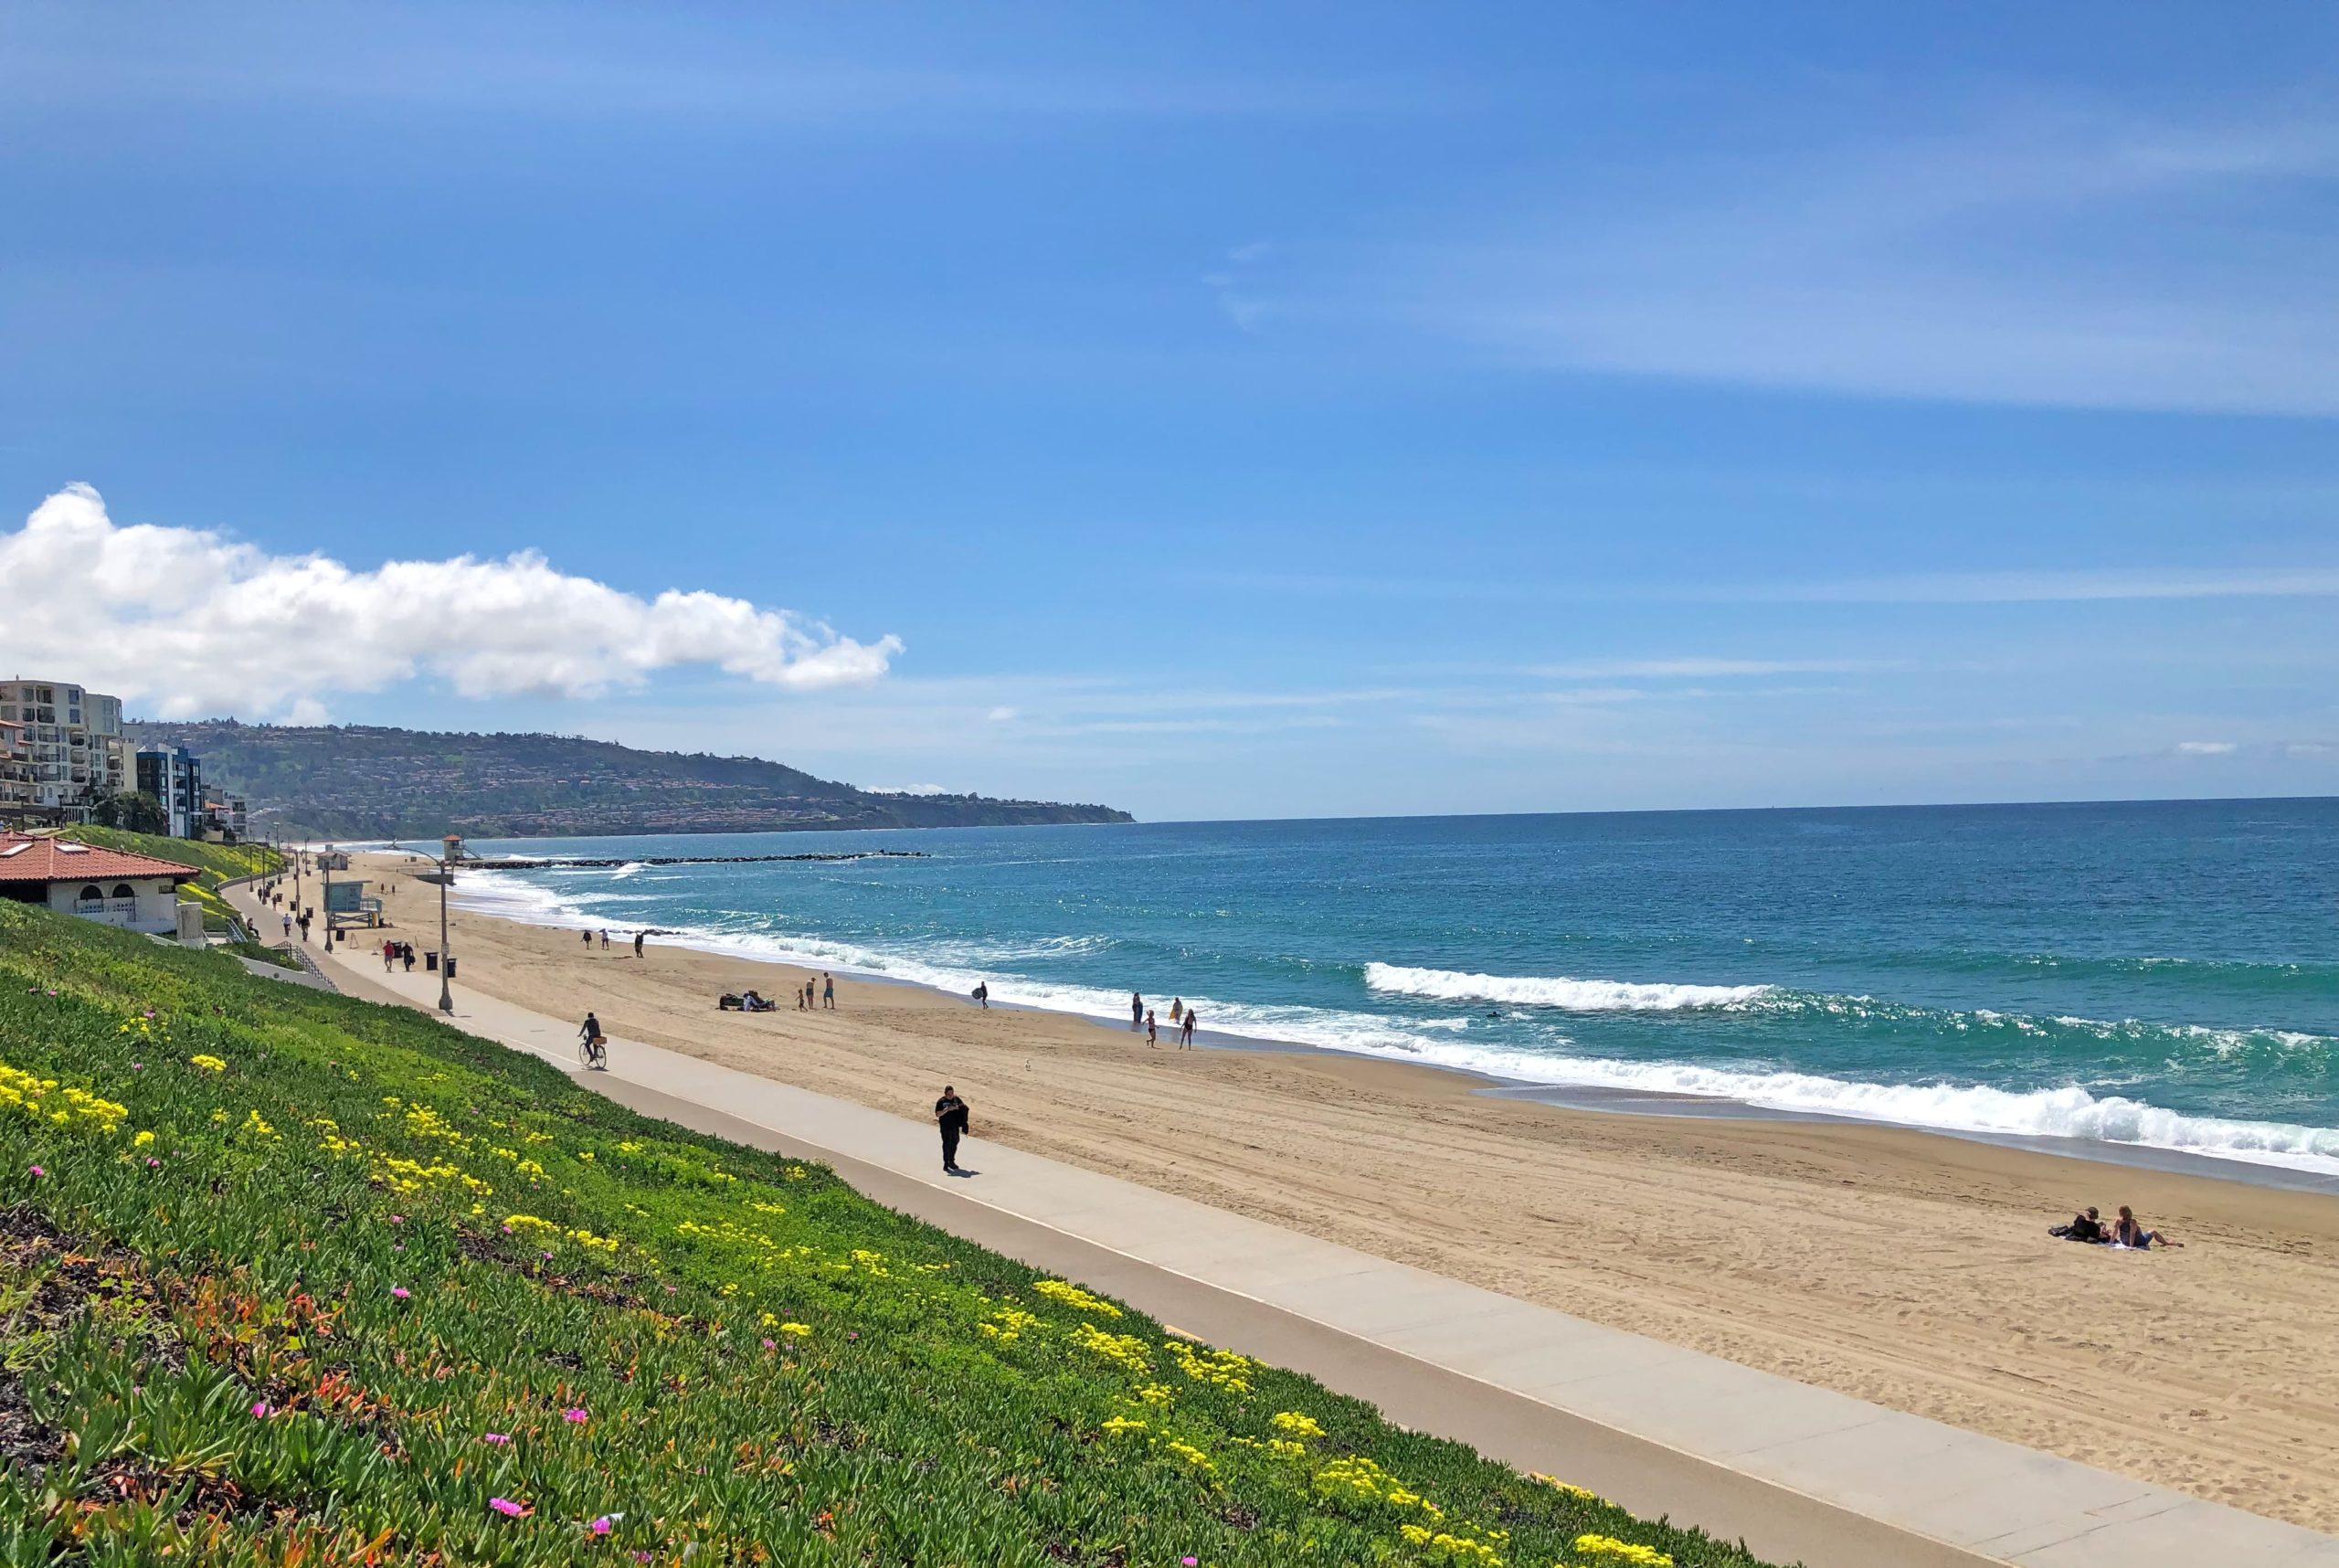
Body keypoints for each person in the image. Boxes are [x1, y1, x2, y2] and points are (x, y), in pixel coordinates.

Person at [935, 1085, 970, 1173]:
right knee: (947, 1144)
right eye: (948, 1094)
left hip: (954, 1126)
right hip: (945, 1126)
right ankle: (946, 1162)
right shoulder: (941, 1102)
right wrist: (947, 1109)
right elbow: (938, 1114)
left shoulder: (956, 1099)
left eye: (952, 1093)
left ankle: (951, 1160)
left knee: (955, 1142)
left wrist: (956, 1108)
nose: (950, 1096)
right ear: (945, 1094)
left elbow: (963, 1107)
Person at [2111, 1205, 2181, 1248]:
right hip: (2138, 1242)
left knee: (2146, 1233)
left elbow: (2115, 1232)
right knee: (2153, 1231)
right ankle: (2167, 1243)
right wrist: (2131, 1246)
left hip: (2124, 1241)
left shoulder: (2118, 1221)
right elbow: (2132, 1234)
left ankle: (2168, 1242)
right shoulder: (2132, 1222)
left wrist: (2111, 1242)